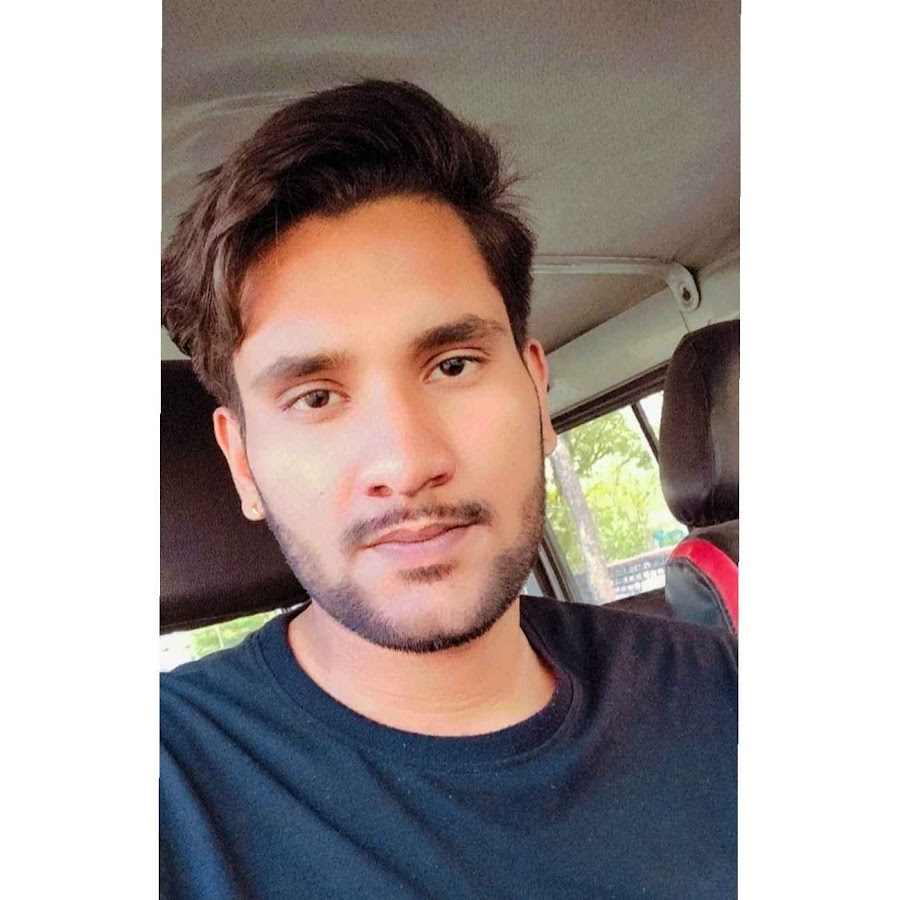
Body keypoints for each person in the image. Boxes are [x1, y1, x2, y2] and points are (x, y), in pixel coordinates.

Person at [160, 79, 737, 899]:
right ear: (243, 464)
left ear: (536, 393)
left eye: (453, 364)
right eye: (315, 397)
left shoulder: (724, 690)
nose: (405, 461)